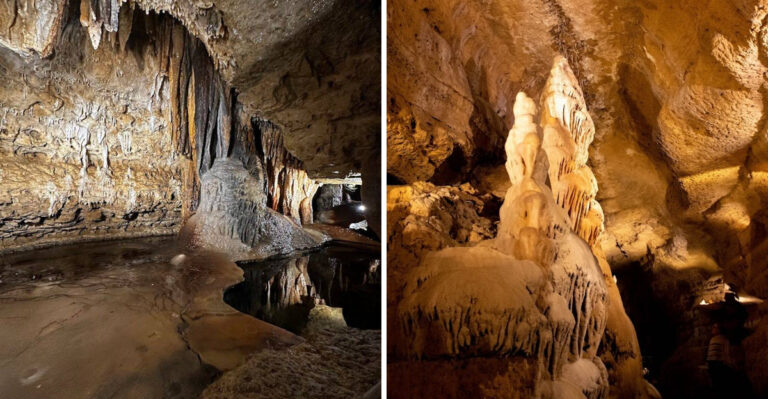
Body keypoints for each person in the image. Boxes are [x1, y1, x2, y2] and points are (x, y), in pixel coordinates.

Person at [707, 324, 733, 398]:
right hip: (711, 363)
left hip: (718, 363)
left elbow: (726, 352)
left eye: (714, 327)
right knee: (714, 384)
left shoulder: (724, 339)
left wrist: (729, 363)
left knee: (719, 385)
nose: (712, 329)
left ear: (719, 330)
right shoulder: (712, 339)